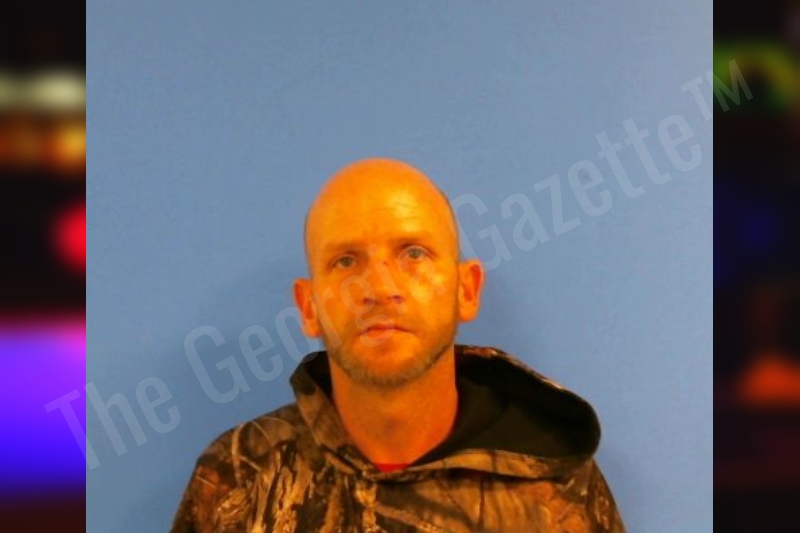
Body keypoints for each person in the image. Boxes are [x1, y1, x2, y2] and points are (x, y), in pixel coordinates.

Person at [171, 158, 626, 532]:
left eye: (413, 254)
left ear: (466, 290)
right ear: (309, 308)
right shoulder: (239, 478)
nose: (379, 288)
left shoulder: (557, 486)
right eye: (345, 261)